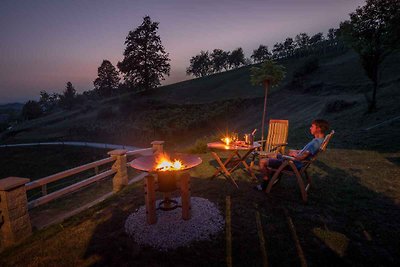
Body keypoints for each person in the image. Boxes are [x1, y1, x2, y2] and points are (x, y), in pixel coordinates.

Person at [255, 119, 329, 191]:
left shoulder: (315, 143)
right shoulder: (318, 140)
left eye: (312, 126)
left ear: (318, 129)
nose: (310, 128)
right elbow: (306, 152)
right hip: (295, 162)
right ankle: (275, 178)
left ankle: (265, 184)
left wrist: (293, 154)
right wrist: (296, 151)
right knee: (274, 155)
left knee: (262, 161)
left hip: (293, 164)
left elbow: (301, 157)